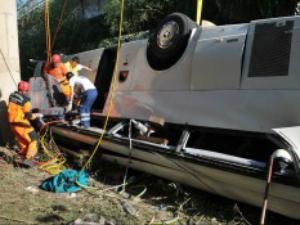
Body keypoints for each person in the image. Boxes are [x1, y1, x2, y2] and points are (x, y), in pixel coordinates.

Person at [7, 81, 38, 160]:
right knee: (33, 138)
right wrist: (36, 116)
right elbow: (28, 115)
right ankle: (29, 159)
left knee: (22, 140)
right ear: (24, 90)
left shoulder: (11, 96)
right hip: (21, 124)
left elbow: (18, 108)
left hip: (12, 124)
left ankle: (23, 155)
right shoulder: (26, 100)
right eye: (27, 90)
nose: (27, 92)